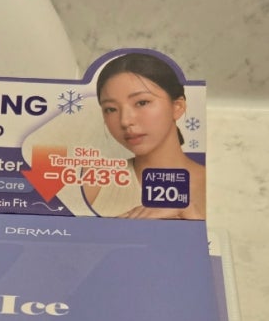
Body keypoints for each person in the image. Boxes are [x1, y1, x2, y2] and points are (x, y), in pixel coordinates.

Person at [85, 52, 206, 219]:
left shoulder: (214, 184)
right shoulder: (93, 182)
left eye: (142, 102)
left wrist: (191, 217)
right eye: (111, 109)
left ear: (177, 107)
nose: (125, 121)